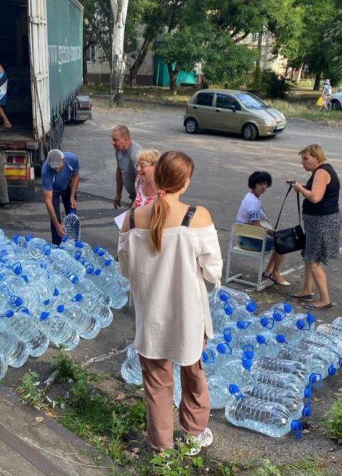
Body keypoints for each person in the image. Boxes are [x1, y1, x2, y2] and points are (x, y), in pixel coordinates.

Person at [118, 151, 222, 456]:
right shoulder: (197, 216)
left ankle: (161, 446)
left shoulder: (133, 217)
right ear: (185, 181)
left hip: (151, 316)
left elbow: (125, 269)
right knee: (193, 375)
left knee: (157, 385)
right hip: (189, 316)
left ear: (157, 176)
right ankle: (193, 434)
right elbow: (213, 271)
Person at [288, 144, 341, 310]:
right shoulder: (321, 171)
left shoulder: (321, 172)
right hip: (319, 221)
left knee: (315, 261)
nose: (303, 163)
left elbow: (316, 197)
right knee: (309, 256)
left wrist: (301, 189)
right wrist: (303, 186)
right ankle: (306, 290)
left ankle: (325, 300)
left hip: (322, 222)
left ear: (316, 157)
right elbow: (319, 190)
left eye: (305, 159)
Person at [236, 171, 289, 285]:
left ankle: (268, 271)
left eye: (265, 184)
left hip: (248, 235)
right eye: (260, 184)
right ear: (253, 184)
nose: (263, 187)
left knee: (279, 240)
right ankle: (275, 274)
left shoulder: (254, 198)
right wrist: (273, 233)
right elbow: (256, 226)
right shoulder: (252, 201)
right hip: (249, 239)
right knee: (282, 244)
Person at [41, 149, 80, 245]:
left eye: (58, 166)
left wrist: (72, 196)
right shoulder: (46, 170)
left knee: (72, 215)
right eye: (54, 167)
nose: (57, 170)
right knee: (55, 221)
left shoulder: (72, 159)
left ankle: (73, 243)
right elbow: (48, 200)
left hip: (67, 187)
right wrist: (57, 225)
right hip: (53, 191)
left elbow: (76, 176)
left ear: (63, 160)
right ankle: (57, 245)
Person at [112, 125, 143, 209]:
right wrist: (118, 195)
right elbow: (119, 171)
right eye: (112, 139)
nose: (112, 142)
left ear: (126, 139)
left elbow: (144, 181)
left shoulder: (135, 155)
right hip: (134, 195)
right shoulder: (118, 151)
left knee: (130, 220)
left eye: (115, 140)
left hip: (141, 196)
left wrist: (137, 201)